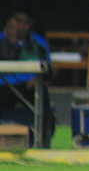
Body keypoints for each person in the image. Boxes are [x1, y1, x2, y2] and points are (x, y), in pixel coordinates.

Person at [0, 10, 55, 147]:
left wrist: (38, 79)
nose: (21, 26)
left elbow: (48, 68)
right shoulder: (1, 40)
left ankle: (43, 141)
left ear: (31, 24)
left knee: (43, 97)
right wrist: (10, 42)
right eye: (18, 21)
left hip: (29, 86)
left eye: (25, 22)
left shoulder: (39, 42)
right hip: (4, 86)